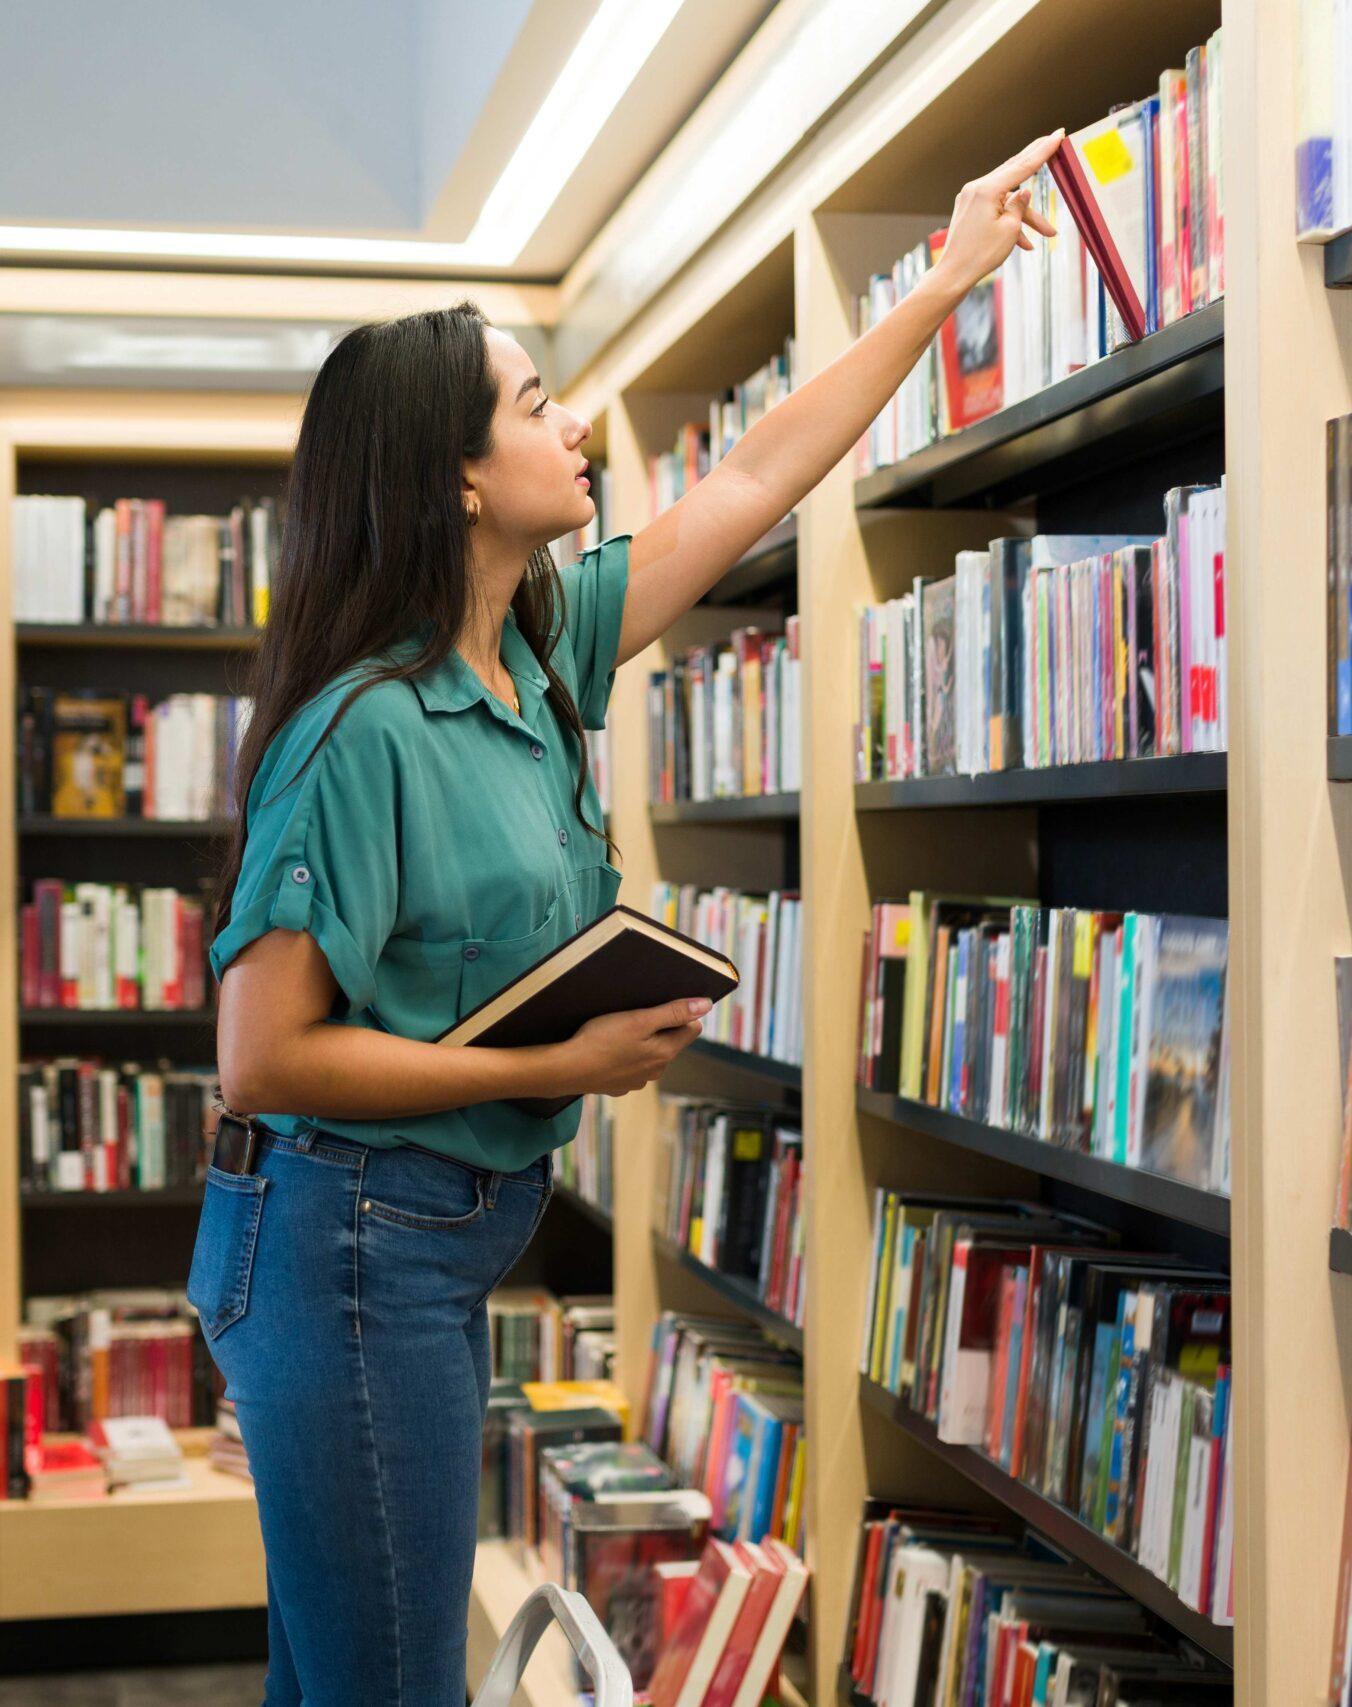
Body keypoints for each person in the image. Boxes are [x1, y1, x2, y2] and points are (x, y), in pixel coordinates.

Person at [193, 130, 1065, 1707]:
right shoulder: (358, 731)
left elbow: (757, 473)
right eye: (536, 404)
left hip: (423, 1254)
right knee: (390, 1687)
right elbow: (263, 1059)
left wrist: (944, 279)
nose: (576, 421)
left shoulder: (534, 653)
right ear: (460, 475)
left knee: (346, 1680)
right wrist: (551, 1065)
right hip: (339, 1248)